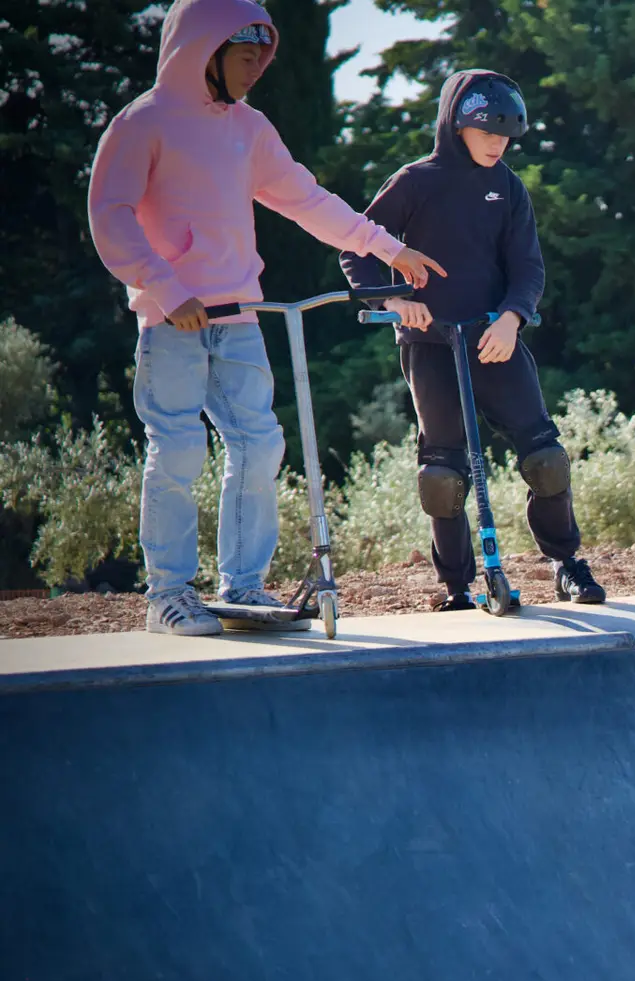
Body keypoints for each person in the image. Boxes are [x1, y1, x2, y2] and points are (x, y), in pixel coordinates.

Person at [88, 0, 446, 636]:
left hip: (241, 315)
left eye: (263, 56)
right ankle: (167, 595)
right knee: (176, 450)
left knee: (260, 446)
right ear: (206, 50)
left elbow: (305, 199)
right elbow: (110, 216)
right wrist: (169, 290)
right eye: (245, 55)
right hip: (172, 323)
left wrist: (388, 248)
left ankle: (243, 588)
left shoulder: (248, 128)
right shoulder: (142, 122)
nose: (257, 68)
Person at [340, 70, 605, 610]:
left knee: (546, 458)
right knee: (442, 473)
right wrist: (393, 302)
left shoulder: (507, 186)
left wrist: (512, 318)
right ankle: (457, 587)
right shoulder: (415, 181)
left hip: (495, 339)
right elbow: (356, 248)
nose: (498, 144)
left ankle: (566, 563)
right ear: (456, 127)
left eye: (507, 136)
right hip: (431, 344)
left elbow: (528, 268)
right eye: (488, 133)